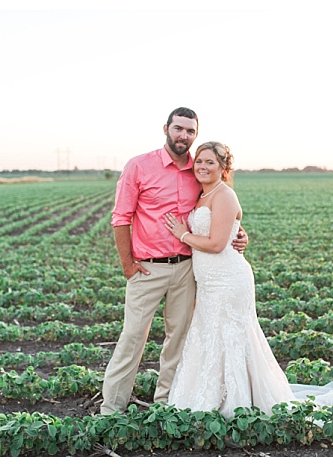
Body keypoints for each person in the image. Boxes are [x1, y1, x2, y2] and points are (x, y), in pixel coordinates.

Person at [164, 142, 333, 417]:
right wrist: (239, 234)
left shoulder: (224, 196)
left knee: (231, 338)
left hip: (228, 279)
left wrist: (182, 234)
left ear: (224, 168)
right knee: (209, 336)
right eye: (200, 161)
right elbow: (227, 231)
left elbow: (216, 244)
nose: (202, 167)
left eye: (210, 163)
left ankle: (237, 401)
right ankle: (209, 394)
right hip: (208, 282)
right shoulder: (203, 195)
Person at [100, 108, 248, 415]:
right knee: (132, 338)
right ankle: (111, 408)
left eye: (190, 131)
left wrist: (239, 233)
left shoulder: (200, 169)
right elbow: (120, 218)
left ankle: (166, 405)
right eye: (179, 129)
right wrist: (128, 266)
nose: (184, 136)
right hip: (147, 267)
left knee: (177, 340)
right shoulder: (139, 166)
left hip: (187, 268)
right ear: (166, 128)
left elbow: (222, 208)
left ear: (196, 134)